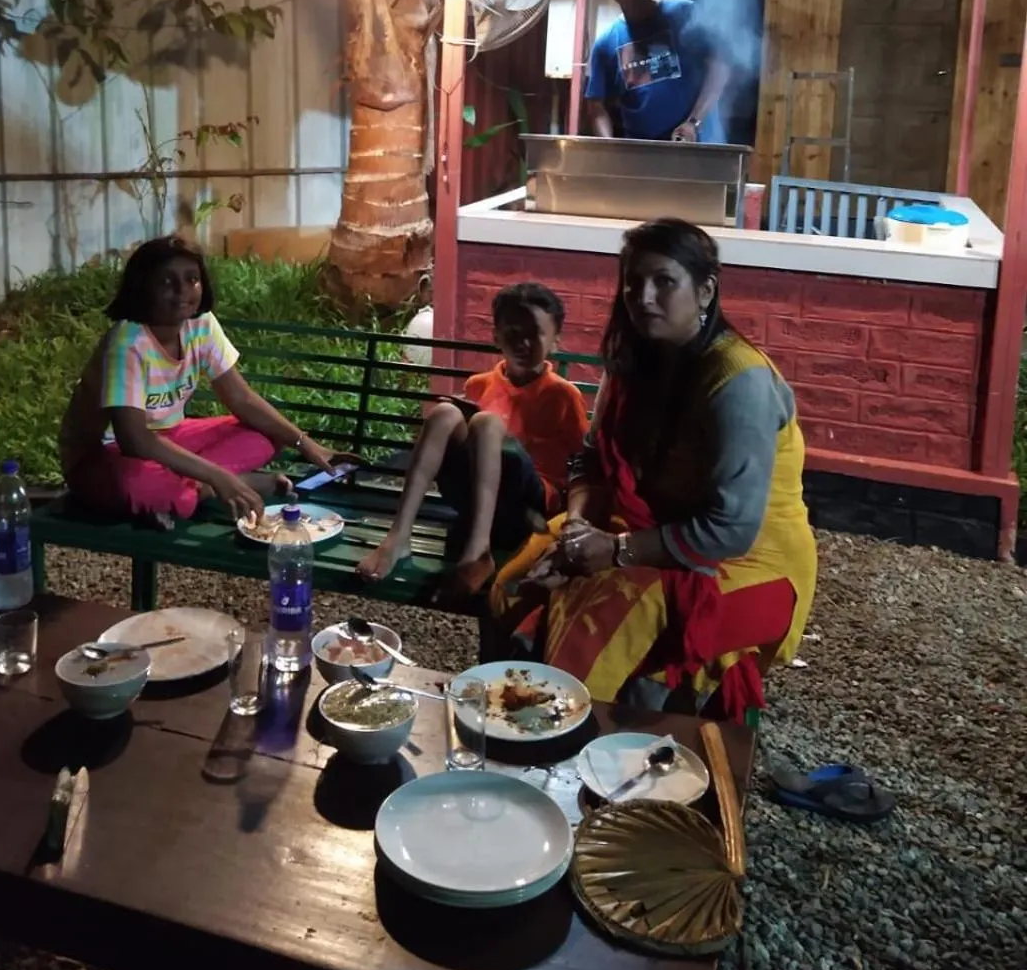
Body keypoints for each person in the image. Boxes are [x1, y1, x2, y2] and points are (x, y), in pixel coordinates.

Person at [490, 220, 817, 722]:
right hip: (641, 528)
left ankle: (568, 747)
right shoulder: (632, 361)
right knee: (517, 580)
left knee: (612, 607)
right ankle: (502, 725)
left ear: (705, 290)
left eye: (664, 281)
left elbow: (731, 528)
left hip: (745, 560)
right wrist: (579, 528)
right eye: (633, 281)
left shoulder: (738, 382)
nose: (643, 297)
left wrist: (614, 551)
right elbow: (593, 459)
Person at [59, 235, 352, 524]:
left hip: (169, 440)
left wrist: (308, 445)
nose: (182, 291)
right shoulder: (127, 343)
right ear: (143, 287)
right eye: (166, 281)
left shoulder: (200, 324)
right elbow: (134, 440)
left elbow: (241, 399)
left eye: (192, 279)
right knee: (138, 486)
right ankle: (212, 488)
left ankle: (191, 492)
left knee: (269, 434)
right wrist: (218, 475)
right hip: (104, 456)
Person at [357, 282, 589, 601]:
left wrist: (573, 521)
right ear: (496, 336)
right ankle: (398, 536)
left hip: (528, 510)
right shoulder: (479, 385)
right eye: (512, 332)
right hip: (475, 500)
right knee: (444, 414)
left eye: (533, 333)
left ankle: (478, 553)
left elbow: (583, 462)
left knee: (484, 421)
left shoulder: (563, 395)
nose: (522, 342)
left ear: (554, 341)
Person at [585, 0, 730, 143]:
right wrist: (609, 147)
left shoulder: (685, 13)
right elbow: (596, 105)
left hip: (699, 142)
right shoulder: (605, 44)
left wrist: (693, 122)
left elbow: (719, 68)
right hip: (644, 153)